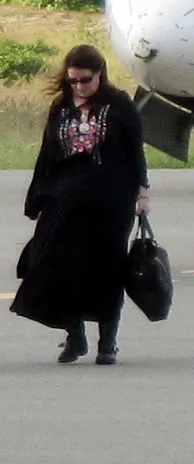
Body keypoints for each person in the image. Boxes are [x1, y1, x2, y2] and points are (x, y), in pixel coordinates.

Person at [12, 45, 149, 366]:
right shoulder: (60, 106)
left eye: (85, 80)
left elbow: (135, 153)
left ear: (100, 74)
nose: (78, 86)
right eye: (72, 80)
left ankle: (108, 342)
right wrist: (36, 197)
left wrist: (143, 194)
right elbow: (47, 153)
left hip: (110, 201)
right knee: (58, 266)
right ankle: (75, 337)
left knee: (107, 269)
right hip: (64, 198)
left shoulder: (120, 105)